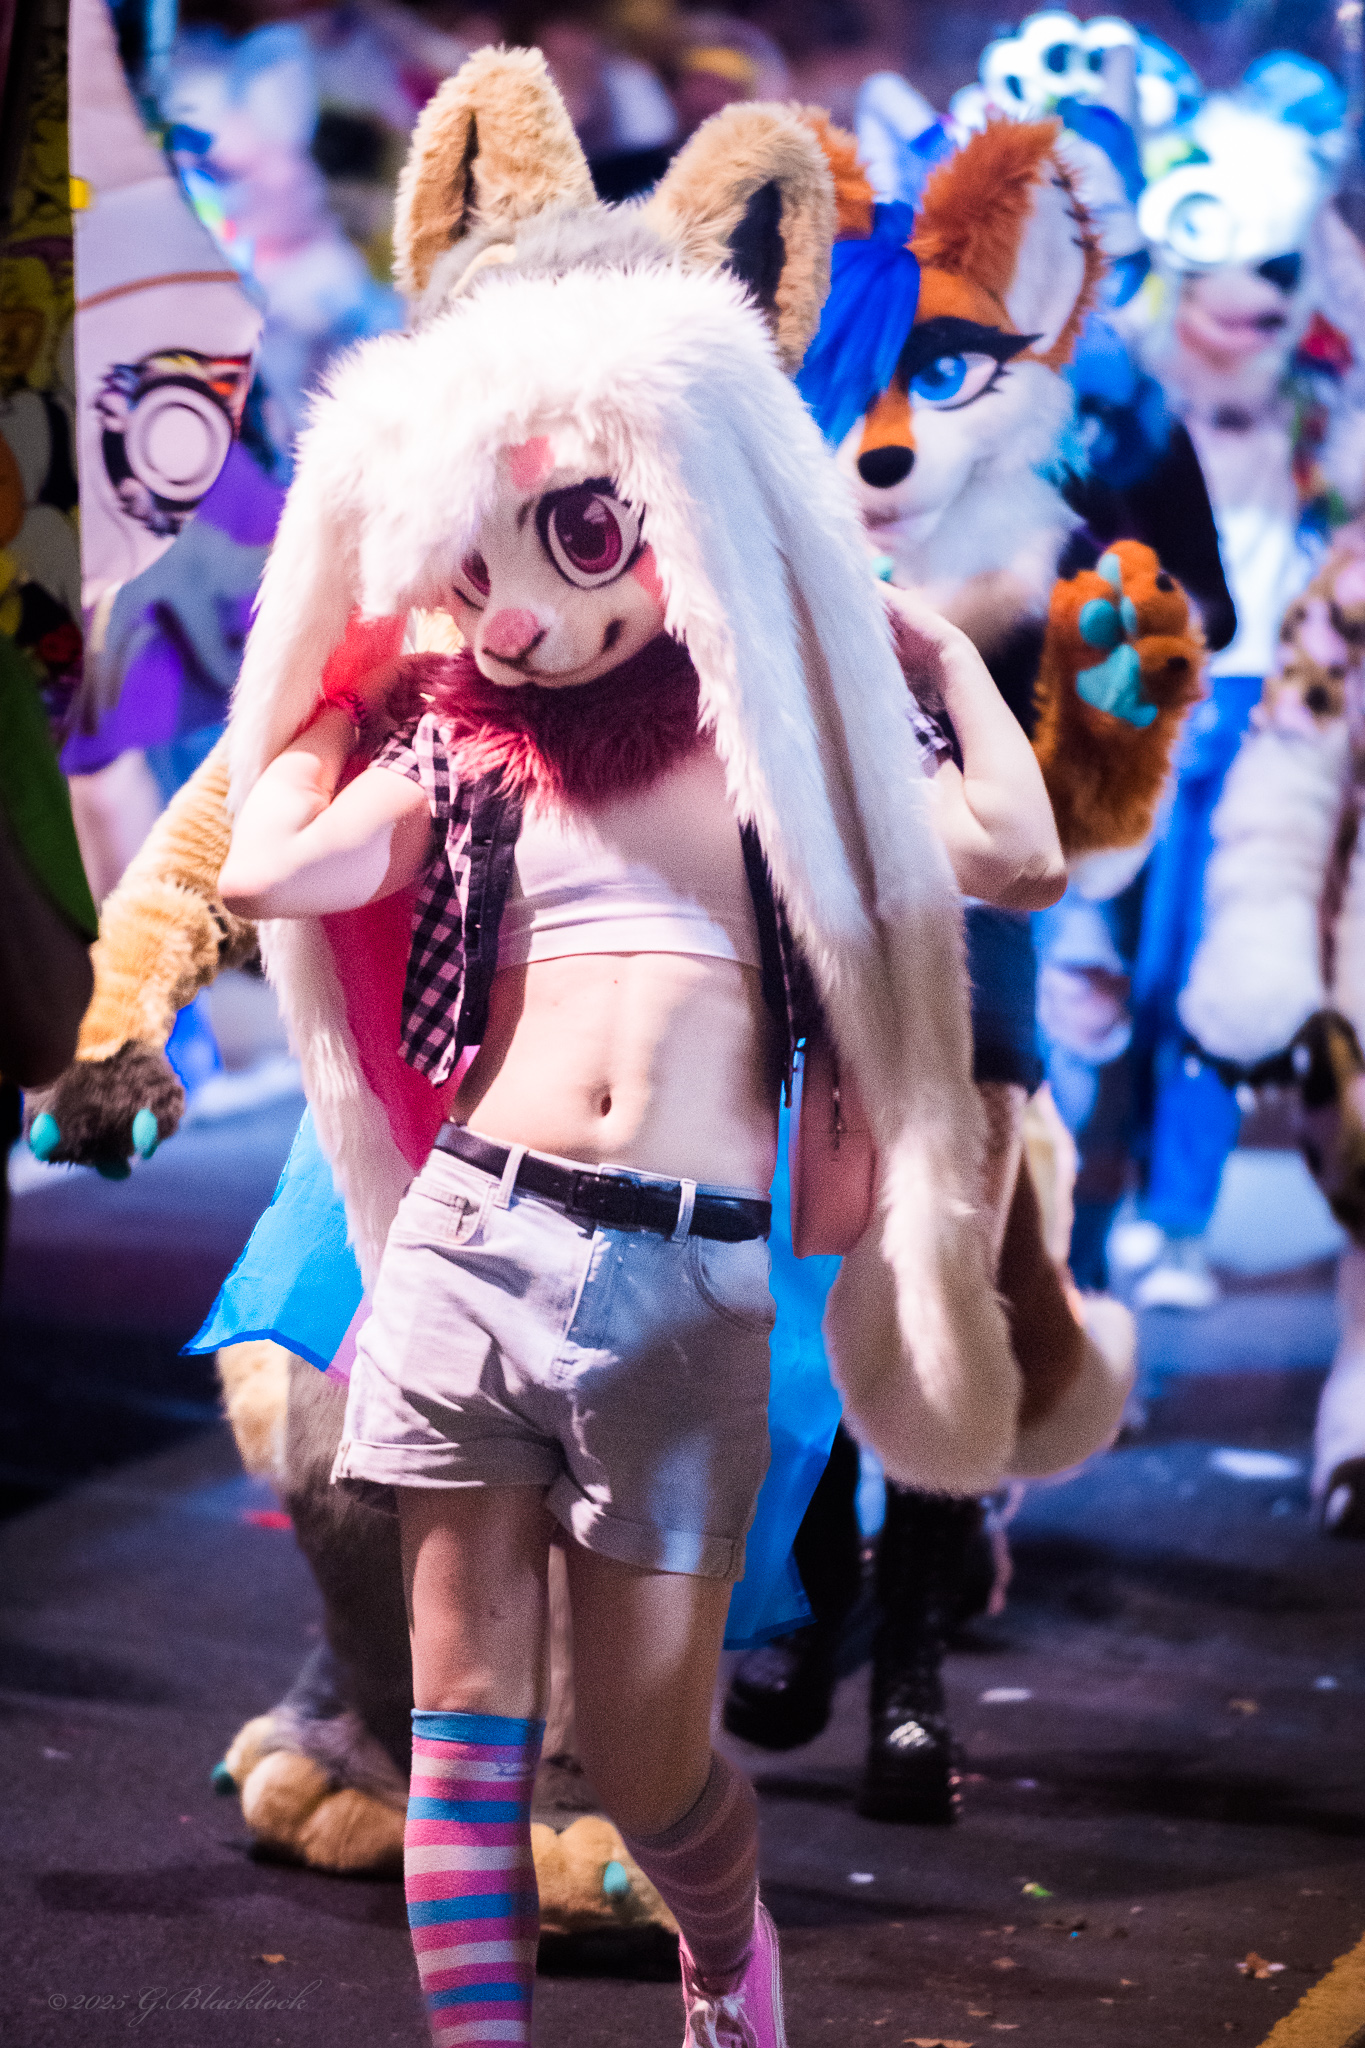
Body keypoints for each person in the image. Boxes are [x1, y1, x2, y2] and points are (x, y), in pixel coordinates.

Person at [216, 50, 1064, 2043]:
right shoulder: (462, 744)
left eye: (577, 532)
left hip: (683, 1275)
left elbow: (1013, 852)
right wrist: (335, 699)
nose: (518, 610)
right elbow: (266, 869)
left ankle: (724, 1950)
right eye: (479, 562)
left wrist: (930, 652)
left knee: (653, 1754)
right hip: (471, 1240)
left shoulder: (775, 749)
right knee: (463, 1729)